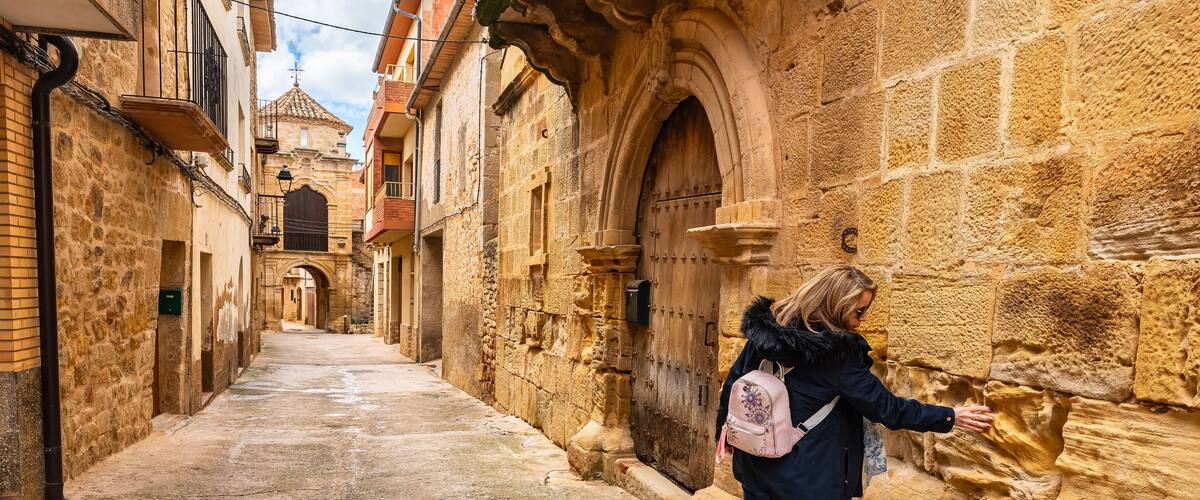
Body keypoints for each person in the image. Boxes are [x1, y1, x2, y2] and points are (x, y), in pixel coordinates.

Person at [715, 265, 993, 500]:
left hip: (755, 468)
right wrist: (950, 416)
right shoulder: (837, 357)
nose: (864, 318)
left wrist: (723, 435)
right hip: (809, 480)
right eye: (859, 312)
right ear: (836, 306)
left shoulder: (767, 332)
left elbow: (733, 385)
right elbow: (887, 408)